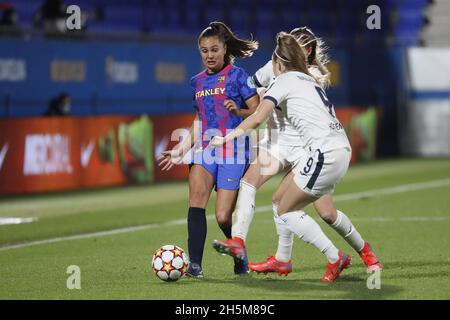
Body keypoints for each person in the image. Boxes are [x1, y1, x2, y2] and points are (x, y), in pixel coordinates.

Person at [212, 27, 382, 281]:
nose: (301, 48)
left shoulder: (305, 75)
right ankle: (257, 248)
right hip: (279, 144)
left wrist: (232, 130)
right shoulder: (279, 71)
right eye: (296, 42)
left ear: (308, 51)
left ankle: (361, 253)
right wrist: (238, 105)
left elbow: (260, 113)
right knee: (252, 184)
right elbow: (251, 94)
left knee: (323, 212)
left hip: (308, 147)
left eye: (305, 44)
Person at [158, 21, 260, 277]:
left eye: (214, 49)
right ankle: (195, 265)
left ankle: (238, 251)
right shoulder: (197, 82)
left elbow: (259, 111)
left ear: (225, 49)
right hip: (206, 149)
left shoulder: (239, 76)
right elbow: (200, 120)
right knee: (196, 202)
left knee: (224, 217)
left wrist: (239, 110)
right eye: (204, 50)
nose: (209, 55)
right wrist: (182, 148)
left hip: (234, 150)